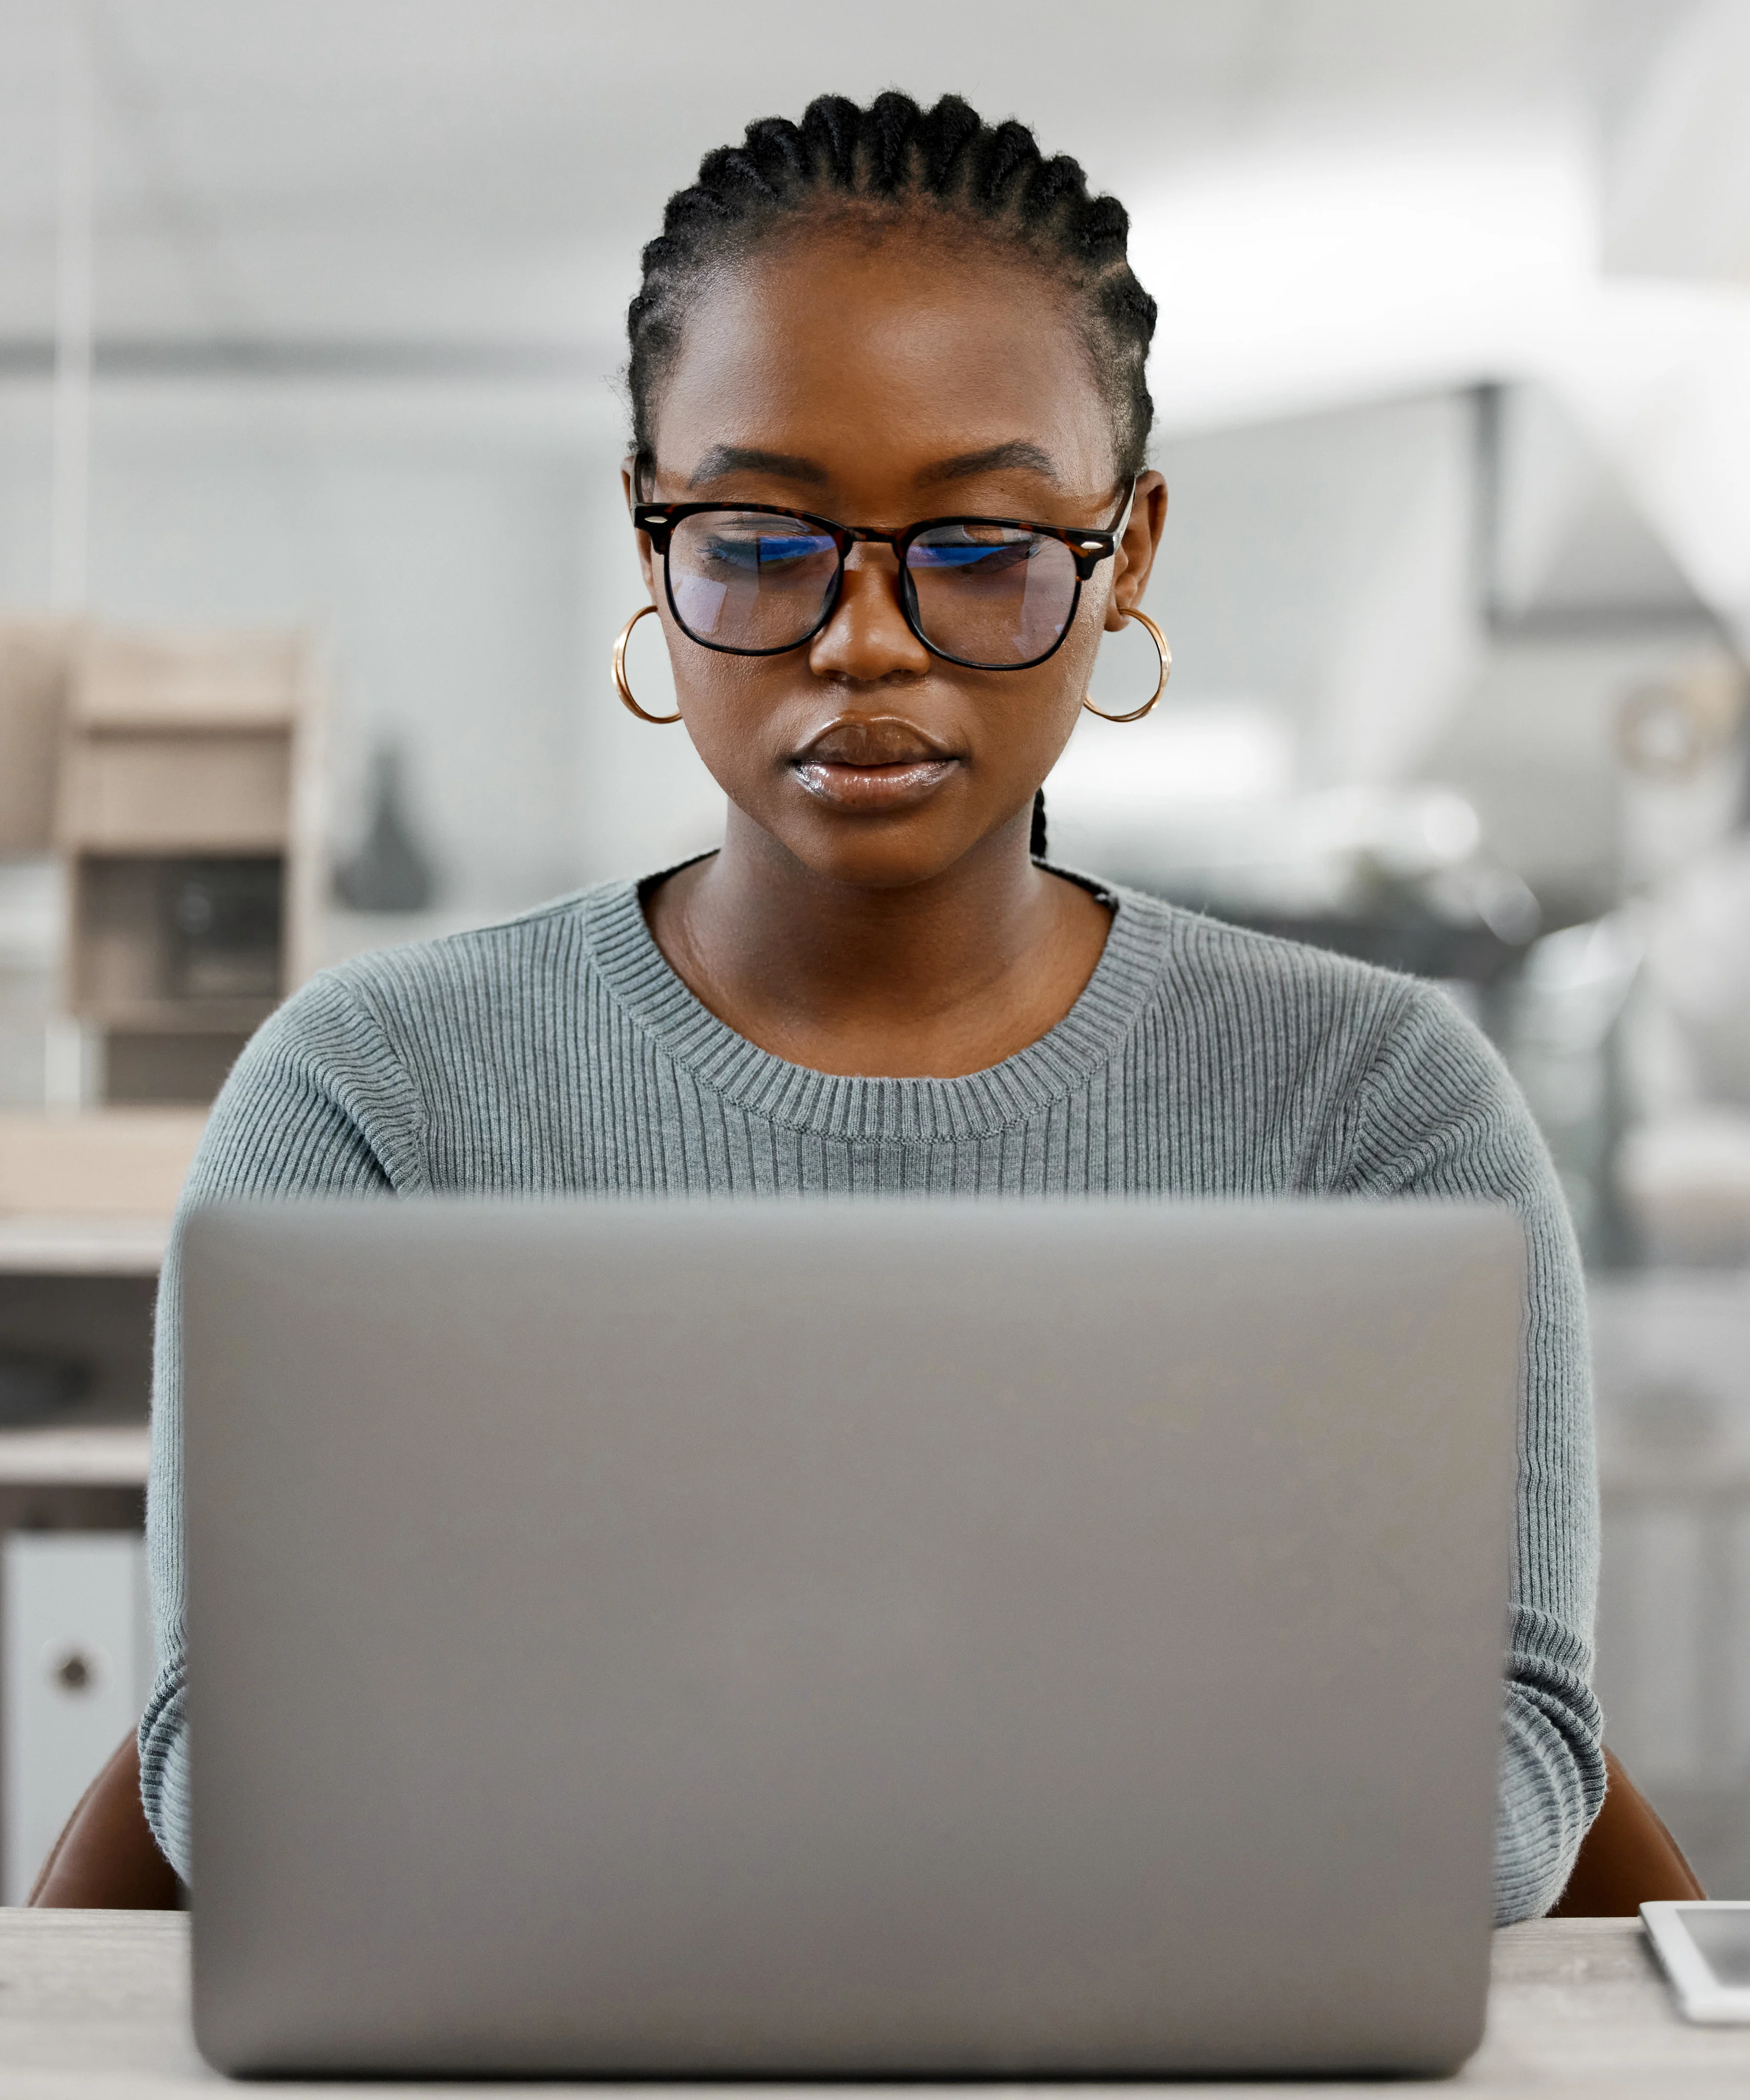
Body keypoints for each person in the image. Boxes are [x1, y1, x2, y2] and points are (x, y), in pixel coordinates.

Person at [138, 91, 1603, 1921]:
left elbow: (1513, 1771)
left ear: (1126, 552)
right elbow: (235, 1768)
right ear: (649, 538)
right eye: (758, 539)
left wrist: (753, 1826)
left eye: (984, 544)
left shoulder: (1376, 1105)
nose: (866, 638)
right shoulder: (371, 1097)